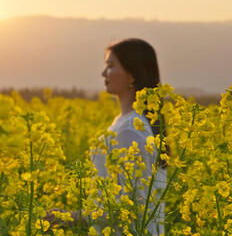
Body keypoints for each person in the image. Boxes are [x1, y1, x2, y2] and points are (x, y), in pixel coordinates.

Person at [45, 38, 167, 235]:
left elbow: (125, 207)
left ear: (131, 75)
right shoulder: (125, 122)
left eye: (111, 66)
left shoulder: (130, 131)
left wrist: (69, 217)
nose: (103, 73)